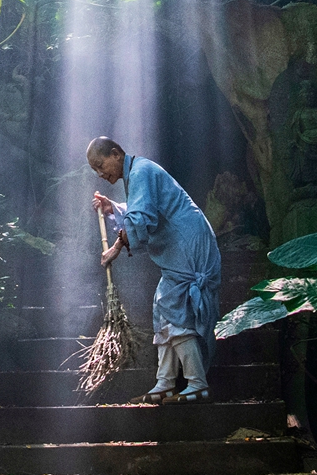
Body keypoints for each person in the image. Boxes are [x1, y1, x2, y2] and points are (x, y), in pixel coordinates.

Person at [88, 135, 221, 404]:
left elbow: (142, 217)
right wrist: (111, 206)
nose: (101, 174)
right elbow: (143, 208)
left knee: (174, 306)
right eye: (96, 170)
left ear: (116, 154)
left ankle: (197, 384)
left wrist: (114, 248)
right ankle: (165, 384)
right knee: (163, 307)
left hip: (188, 244)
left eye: (101, 165)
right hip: (181, 244)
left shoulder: (141, 171)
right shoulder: (138, 173)